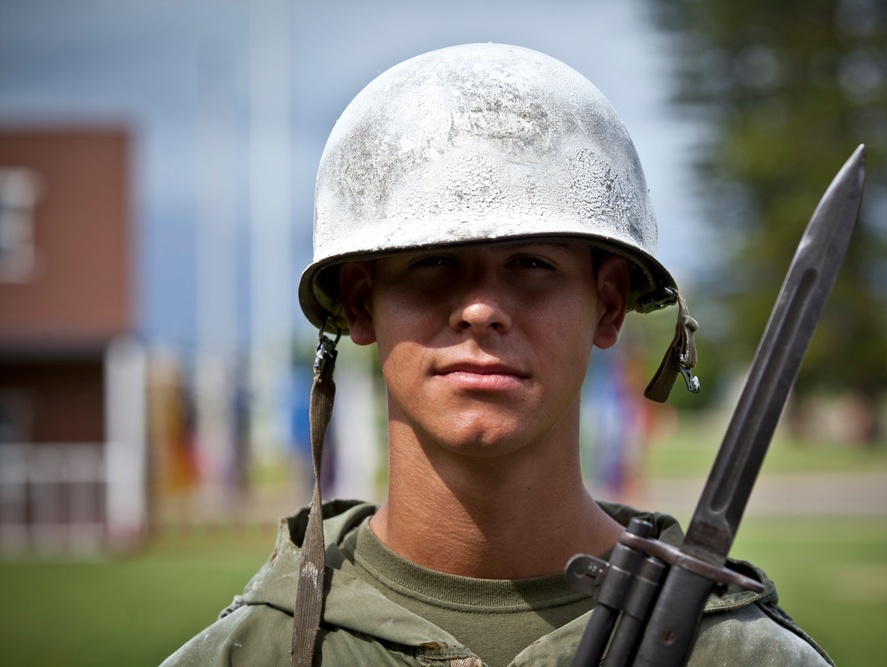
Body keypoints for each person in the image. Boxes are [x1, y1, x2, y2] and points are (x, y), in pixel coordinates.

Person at [162, 43, 833, 666]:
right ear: (362, 303)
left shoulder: (743, 656)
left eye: (531, 263)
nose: (481, 307)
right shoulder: (245, 654)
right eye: (434, 262)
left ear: (607, 305)